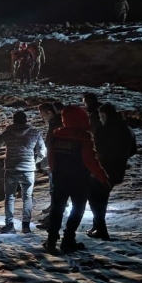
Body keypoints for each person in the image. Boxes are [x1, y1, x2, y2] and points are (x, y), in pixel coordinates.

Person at [43, 106, 111, 254]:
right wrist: (103, 178)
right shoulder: (83, 137)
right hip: (79, 180)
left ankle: (51, 240)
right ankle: (68, 240)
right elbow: (91, 161)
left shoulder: (56, 135)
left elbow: (51, 157)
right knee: (77, 209)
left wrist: (54, 172)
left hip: (60, 178)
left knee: (57, 210)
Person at [0, 111, 46, 234]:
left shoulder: (8, 133)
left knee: (10, 197)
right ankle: (26, 225)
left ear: (13, 121)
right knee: (27, 197)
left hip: (11, 169)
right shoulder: (34, 133)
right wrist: (34, 162)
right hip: (28, 170)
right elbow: (42, 151)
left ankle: (9, 225)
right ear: (26, 120)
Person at [87, 103, 137, 240]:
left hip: (101, 170)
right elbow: (133, 150)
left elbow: (96, 150)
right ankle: (97, 226)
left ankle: (101, 229)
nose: (100, 119)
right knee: (102, 198)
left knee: (95, 199)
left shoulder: (103, 130)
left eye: (100, 116)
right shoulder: (127, 129)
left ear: (104, 115)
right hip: (117, 170)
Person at [36, 102, 64, 229]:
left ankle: (53, 220)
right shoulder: (55, 123)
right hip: (55, 162)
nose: (42, 117)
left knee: (56, 191)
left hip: (57, 163)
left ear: (49, 112)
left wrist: (46, 162)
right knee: (56, 191)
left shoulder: (57, 125)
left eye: (43, 114)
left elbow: (54, 145)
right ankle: (52, 216)